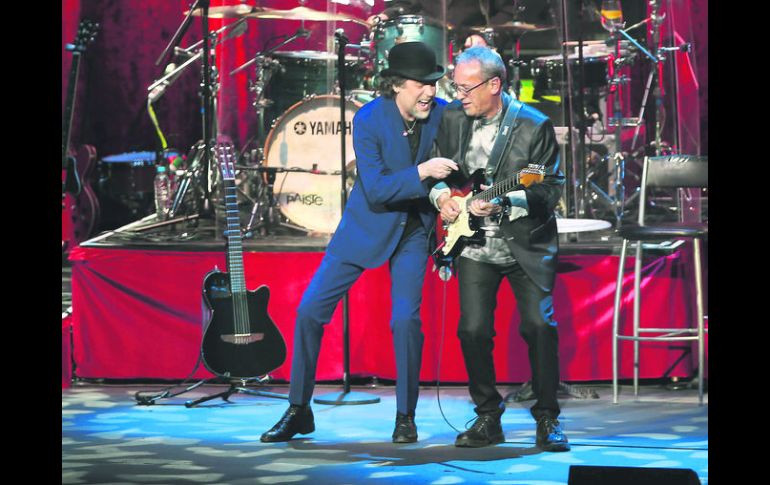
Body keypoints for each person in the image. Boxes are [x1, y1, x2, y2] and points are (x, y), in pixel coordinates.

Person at [260, 42, 458, 444]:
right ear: (396, 85)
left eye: (433, 83)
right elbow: (378, 188)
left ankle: (405, 416)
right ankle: (298, 409)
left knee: (405, 321)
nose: (430, 92)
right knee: (309, 311)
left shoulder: (442, 114)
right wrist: (423, 171)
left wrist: (443, 197)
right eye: (421, 84)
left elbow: (454, 171)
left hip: (413, 230)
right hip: (366, 226)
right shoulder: (368, 120)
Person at [427, 46, 570, 451]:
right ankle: (488, 415)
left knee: (539, 327)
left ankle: (547, 416)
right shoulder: (452, 118)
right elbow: (437, 172)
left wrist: (505, 201)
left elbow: (547, 188)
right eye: (455, 87)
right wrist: (443, 198)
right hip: (472, 242)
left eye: (466, 88)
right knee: (471, 330)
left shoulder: (534, 125)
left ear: (494, 84)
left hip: (525, 243)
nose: (459, 96)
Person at [366, 0, 519, 50]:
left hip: (470, 51)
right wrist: (385, 16)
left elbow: (508, 11)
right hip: (424, 49)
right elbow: (405, 4)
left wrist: (483, 38)